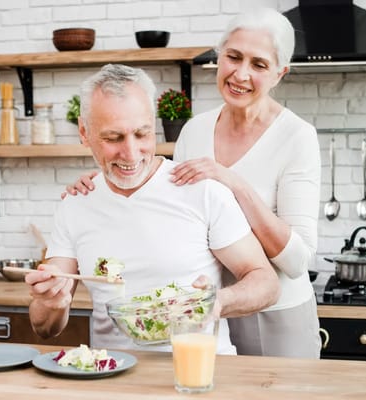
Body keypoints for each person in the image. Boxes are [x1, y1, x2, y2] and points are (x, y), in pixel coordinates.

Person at [63, 8, 322, 358]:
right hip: (206, 313)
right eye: (233, 57)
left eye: (258, 65)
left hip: (274, 312)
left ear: (279, 73)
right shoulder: (195, 129)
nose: (241, 74)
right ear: (219, 57)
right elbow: (164, 193)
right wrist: (99, 179)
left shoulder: (297, 137)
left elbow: (297, 259)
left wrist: (234, 183)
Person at [25, 63, 280, 355]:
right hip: (114, 377)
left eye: (142, 134)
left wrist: (218, 302)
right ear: (84, 132)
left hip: (198, 375)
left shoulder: (201, 190)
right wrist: (50, 303)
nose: (131, 154)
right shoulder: (75, 205)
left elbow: (266, 283)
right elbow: (45, 327)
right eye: (113, 138)